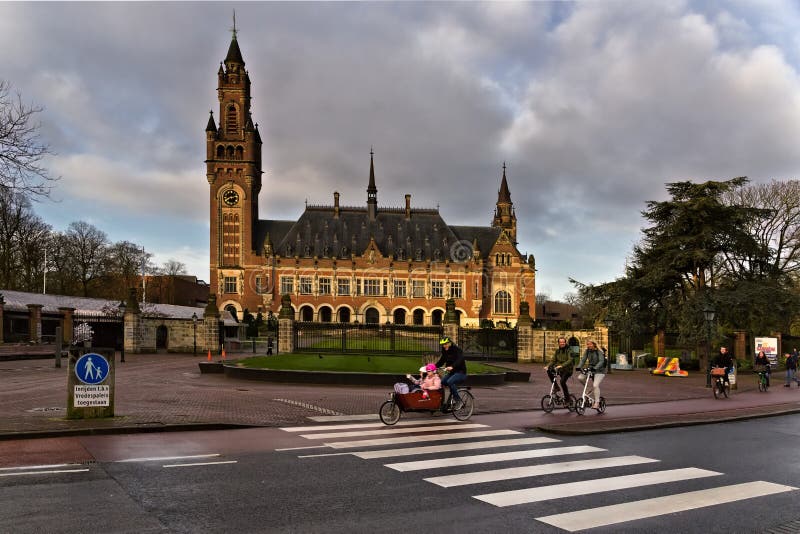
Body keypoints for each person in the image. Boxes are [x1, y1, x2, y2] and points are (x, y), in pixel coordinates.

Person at [435, 336, 467, 409]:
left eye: (445, 344)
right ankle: (442, 402)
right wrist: (433, 367)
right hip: (452, 373)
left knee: (450, 382)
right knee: (442, 382)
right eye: (443, 344)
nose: (444, 346)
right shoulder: (445, 351)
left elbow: (460, 360)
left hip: (460, 372)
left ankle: (459, 401)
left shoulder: (457, 350)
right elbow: (441, 361)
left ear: (449, 343)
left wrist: (452, 366)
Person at [544, 336, 574, 401]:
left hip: (568, 370)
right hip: (560, 369)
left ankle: (567, 399)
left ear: (565, 343)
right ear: (558, 343)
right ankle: (556, 387)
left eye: (563, 342)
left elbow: (570, 360)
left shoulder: (569, 350)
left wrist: (562, 365)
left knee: (562, 382)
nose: (562, 343)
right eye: (560, 342)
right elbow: (553, 360)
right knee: (549, 371)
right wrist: (548, 366)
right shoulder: (557, 351)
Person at [577, 340, 606, 408]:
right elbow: (583, 360)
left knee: (595, 385)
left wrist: (595, 368)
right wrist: (579, 367)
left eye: (590, 344)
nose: (589, 346)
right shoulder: (587, 351)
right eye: (587, 344)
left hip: (599, 371)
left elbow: (601, 361)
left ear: (594, 344)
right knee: (580, 377)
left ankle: (597, 402)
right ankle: (589, 389)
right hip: (590, 369)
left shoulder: (599, 351)